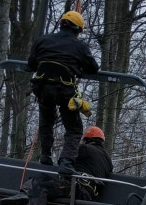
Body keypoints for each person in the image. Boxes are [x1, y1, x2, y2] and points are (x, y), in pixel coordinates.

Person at [3, 125, 113, 205]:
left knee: (40, 184)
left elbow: (64, 162)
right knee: (41, 182)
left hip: (77, 189)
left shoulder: (84, 149)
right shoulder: (108, 161)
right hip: (89, 193)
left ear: (86, 139)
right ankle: (25, 193)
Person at [28, 10, 100, 172]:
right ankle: (66, 162)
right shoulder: (79, 46)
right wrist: (77, 67)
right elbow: (93, 68)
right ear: (77, 30)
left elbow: (31, 64)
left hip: (43, 89)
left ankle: (45, 156)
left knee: (46, 122)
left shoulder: (43, 40)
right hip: (65, 91)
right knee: (74, 129)